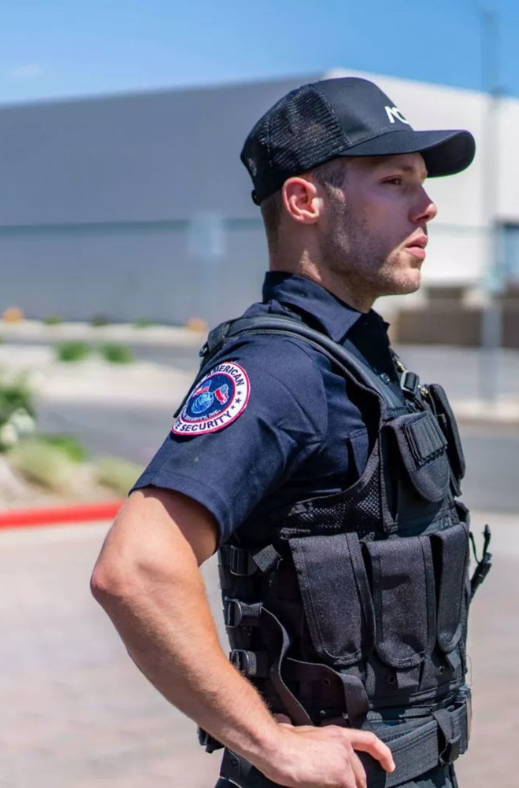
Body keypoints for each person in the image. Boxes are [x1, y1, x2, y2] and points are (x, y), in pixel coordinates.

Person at [90, 76, 492, 788]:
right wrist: (272, 745)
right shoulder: (279, 367)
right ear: (305, 201)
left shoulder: (354, 357)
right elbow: (137, 569)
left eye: (422, 184)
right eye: (395, 181)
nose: (426, 205)